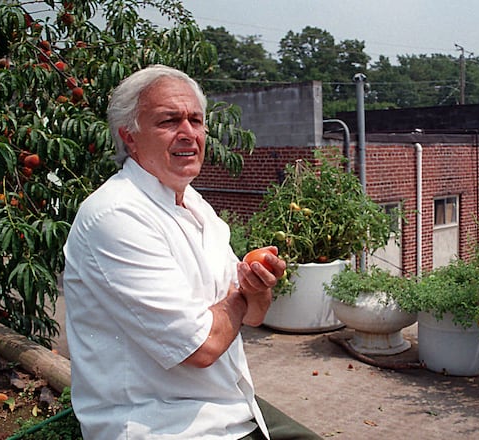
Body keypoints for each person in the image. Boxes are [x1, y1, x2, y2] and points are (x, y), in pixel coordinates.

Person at [63, 65, 320, 439]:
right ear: (129, 138)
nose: (189, 133)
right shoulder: (116, 215)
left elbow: (254, 315)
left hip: (228, 406)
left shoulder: (196, 205)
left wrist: (258, 287)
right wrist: (241, 295)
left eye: (196, 120)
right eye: (169, 121)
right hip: (161, 424)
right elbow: (201, 346)